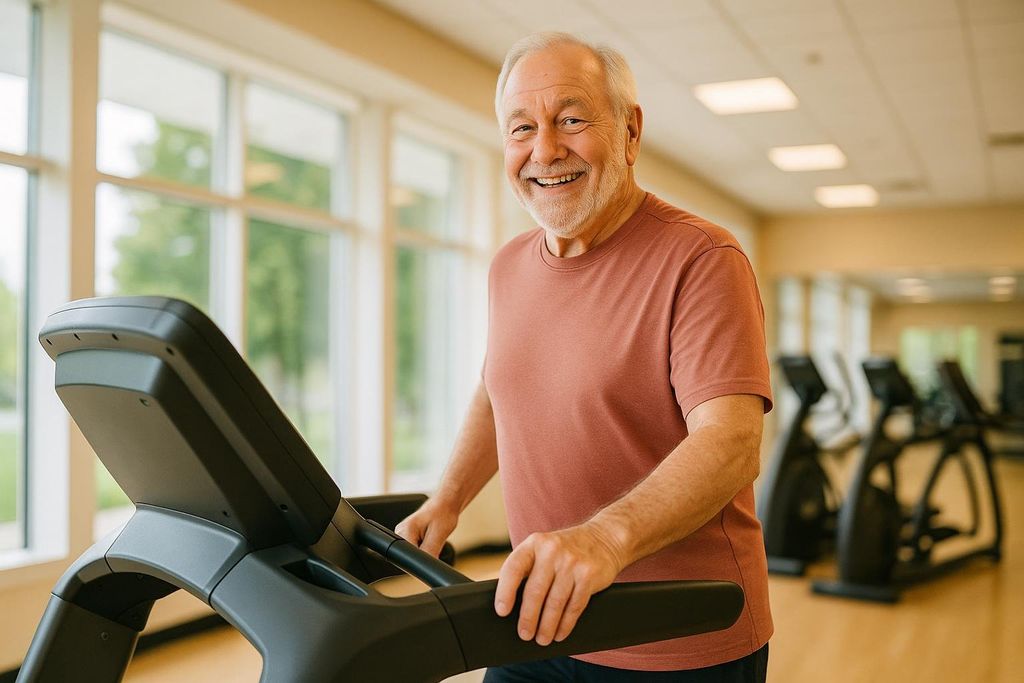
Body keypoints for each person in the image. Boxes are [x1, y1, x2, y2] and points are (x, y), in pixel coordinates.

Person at [396, 32, 773, 682]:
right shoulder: (509, 266)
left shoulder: (703, 258)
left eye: (571, 119)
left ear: (629, 131)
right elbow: (498, 391)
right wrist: (448, 500)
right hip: (537, 617)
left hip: (676, 634)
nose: (545, 149)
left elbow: (732, 442)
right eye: (522, 128)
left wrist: (603, 539)